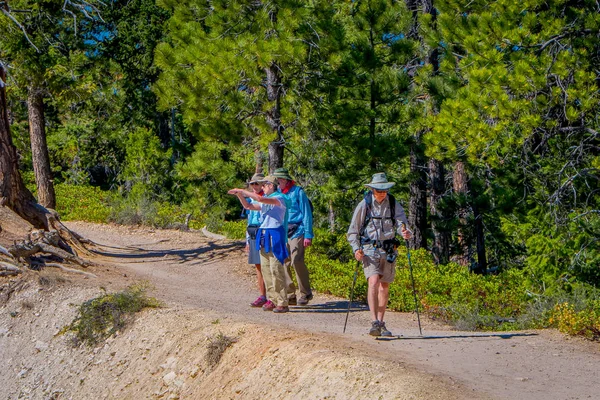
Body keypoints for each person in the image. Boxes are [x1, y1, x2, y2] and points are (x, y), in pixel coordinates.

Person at [347, 172, 412, 337]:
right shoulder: (364, 205)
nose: (382, 193)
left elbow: (401, 222)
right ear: (372, 190)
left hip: (389, 249)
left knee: (384, 286)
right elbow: (353, 231)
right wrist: (356, 249)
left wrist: (405, 232)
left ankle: (381, 323)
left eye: (384, 190)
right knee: (373, 281)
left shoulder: (393, 203)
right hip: (369, 249)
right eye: (378, 190)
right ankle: (374, 321)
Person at [228, 176, 290, 313]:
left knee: (276, 269)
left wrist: (242, 191)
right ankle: (272, 299)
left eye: (265, 185)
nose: (262, 187)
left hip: (275, 234)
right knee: (266, 269)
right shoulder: (265, 200)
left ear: (271, 185)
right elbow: (249, 206)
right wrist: (240, 196)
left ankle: (282, 301)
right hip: (264, 234)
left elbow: (260, 199)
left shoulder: (280, 198)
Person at [272, 167, 314, 306]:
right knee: (284, 261)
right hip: (283, 230)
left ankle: (305, 293)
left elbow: (307, 213)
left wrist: (308, 234)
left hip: (298, 229)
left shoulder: (298, 192)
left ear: (285, 179)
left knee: (297, 260)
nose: (278, 182)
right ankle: (290, 294)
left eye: (279, 179)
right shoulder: (277, 193)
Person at [245, 173, 267, 308]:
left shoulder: (265, 199)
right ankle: (262, 295)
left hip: (262, 232)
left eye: (257, 184)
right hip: (252, 232)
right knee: (258, 266)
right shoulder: (251, 201)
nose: (254, 186)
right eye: (252, 184)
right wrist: (247, 240)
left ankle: (273, 295)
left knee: (267, 265)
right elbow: (249, 220)